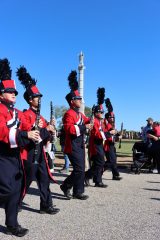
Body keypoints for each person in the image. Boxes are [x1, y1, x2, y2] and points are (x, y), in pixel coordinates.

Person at [0, 58, 40, 237]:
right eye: (10, 91)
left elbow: (26, 127)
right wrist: (25, 135)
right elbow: (2, 131)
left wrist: (37, 129)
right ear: (1, 94)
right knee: (7, 189)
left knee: (16, 190)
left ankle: (12, 223)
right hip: (2, 154)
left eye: (14, 91)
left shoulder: (17, 112)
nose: (14, 93)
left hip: (16, 155)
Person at [16, 66, 60, 214]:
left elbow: (45, 135)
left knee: (44, 178)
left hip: (40, 152)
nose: (40, 99)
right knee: (26, 180)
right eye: (37, 97)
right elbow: (30, 135)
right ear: (30, 100)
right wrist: (43, 129)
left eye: (40, 97)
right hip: (29, 152)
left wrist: (51, 129)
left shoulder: (41, 116)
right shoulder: (25, 115)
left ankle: (45, 205)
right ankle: (15, 203)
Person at [60, 70, 92, 200]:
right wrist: (85, 126)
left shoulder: (79, 114)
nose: (81, 100)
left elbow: (87, 121)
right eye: (78, 99)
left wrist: (93, 118)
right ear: (72, 101)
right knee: (79, 169)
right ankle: (66, 186)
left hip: (79, 144)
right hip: (72, 145)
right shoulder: (69, 114)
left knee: (81, 169)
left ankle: (78, 191)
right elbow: (69, 129)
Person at [85, 88, 108, 188]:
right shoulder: (94, 121)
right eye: (101, 112)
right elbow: (97, 134)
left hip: (99, 144)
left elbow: (102, 132)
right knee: (100, 163)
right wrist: (108, 134)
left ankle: (98, 180)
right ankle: (87, 176)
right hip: (95, 144)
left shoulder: (100, 122)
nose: (102, 113)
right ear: (96, 112)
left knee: (98, 163)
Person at [103, 98, 122, 180]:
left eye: (113, 117)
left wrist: (118, 136)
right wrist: (118, 136)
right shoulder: (107, 125)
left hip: (111, 145)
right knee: (111, 161)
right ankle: (98, 170)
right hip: (107, 146)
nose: (113, 118)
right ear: (107, 118)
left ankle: (115, 174)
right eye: (111, 117)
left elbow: (115, 137)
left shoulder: (111, 125)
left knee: (114, 161)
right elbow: (110, 136)